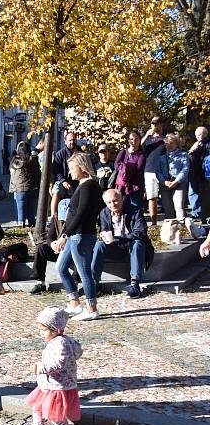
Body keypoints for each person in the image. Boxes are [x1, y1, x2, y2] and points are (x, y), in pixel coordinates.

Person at [16, 306, 82, 425]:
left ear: (56, 330)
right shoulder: (56, 341)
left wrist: (40, 368)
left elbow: (60, 363)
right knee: (38, 407)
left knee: (55, 414)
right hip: (48, 384)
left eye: (44, 330)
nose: (41, 333)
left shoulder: (61, 343)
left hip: (58, 386)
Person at [52, 152, 102, 321]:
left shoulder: (89, 186)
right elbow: (72, 214)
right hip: (74, 235)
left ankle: (92, 308)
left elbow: (81, 213)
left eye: (72, 168)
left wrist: (65, 235)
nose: (70, 172)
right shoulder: (82, 185)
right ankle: (74, 303)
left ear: (82, 167)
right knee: (61, 267)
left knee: (84, 272)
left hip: (81, 235)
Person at [91, 189, 153, 299]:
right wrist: (104, 236)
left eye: (115, 201)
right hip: (115, 248)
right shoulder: (104, 213)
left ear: (121, 199)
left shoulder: (135, 211)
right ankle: (94, 283)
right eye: (109, 202)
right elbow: (104, 230)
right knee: (99, 244)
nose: (112, 204)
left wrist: (118, 238)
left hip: (132, 248)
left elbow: (140, 232)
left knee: (138, 243)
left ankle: (135, 284)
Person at [114, 128, 163, 212]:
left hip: (135, 185)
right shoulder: (123, 152)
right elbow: (116, 166)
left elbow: (138, 169)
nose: (134, 141)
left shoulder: (142, 154)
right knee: (122, 208)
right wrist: (125, 168)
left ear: (140, 140)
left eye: (136, 139)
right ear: (129, 141)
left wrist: (125, 168)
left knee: (135, 208)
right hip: (122, 185)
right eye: (131, 139)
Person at [157, 132, 190, 222]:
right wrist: (164, 182)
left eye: (172, 143)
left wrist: (177, 181)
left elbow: (185, 169)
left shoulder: (184, 155)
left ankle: (182, 227)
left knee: (179, 206)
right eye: (167, 143)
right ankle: (170, 230)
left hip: (179, 184)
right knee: (168, 209)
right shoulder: (161, 158)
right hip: (165, 184)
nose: (169, 145)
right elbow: (158, 171)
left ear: (177, 144)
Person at [9, 141, 40, 227]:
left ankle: (21, 228)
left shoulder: (15, 160)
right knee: (31, 213)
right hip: (33, 188)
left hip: (20, 190)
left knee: (20, 213)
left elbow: (11, 172)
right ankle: (32, 226)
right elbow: (37, 172)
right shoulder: (33, 159)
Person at [51, 131, 79, 221]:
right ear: (65, 141)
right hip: (62, 180)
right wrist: (63, 181)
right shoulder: (60, 154)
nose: (72, 142)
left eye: (74, 140)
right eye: (70, 140)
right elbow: (55, 170)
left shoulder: (80, 152)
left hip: (77, 180)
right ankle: (53, 217)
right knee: (57, 190)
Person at [142, 119, 166, 225]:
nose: (155, 126)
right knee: (152, 197)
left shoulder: (165, 139)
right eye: (153, 123)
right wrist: (148, 134)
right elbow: (138, 146)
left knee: (166, 196)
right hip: (149, 170)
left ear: (161, 125)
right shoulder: (147, 139)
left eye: (157, 123)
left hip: (163, 170)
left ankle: (170, 220)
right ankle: (154, 222)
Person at [187, 126, 209, 222]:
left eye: (200, 134)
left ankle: (199, 214)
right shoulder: (196, 144)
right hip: (194, 173)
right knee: (193, 194)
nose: (198, 136)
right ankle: (196, 212)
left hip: (203, 174)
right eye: (197, 135)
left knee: (202, 196)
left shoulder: (207, 144)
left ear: (205, 134)